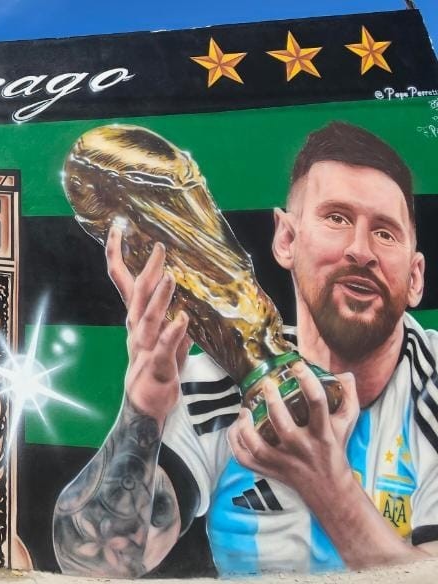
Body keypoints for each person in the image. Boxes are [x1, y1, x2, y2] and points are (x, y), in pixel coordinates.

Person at [52, 122, 437, 576]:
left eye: (385, 233)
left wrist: (326, 485)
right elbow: (92, 565)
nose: (361, 250)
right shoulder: (213, 388)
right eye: (337, 218)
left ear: (416, 278)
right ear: (286, 240)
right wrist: (144, 409)